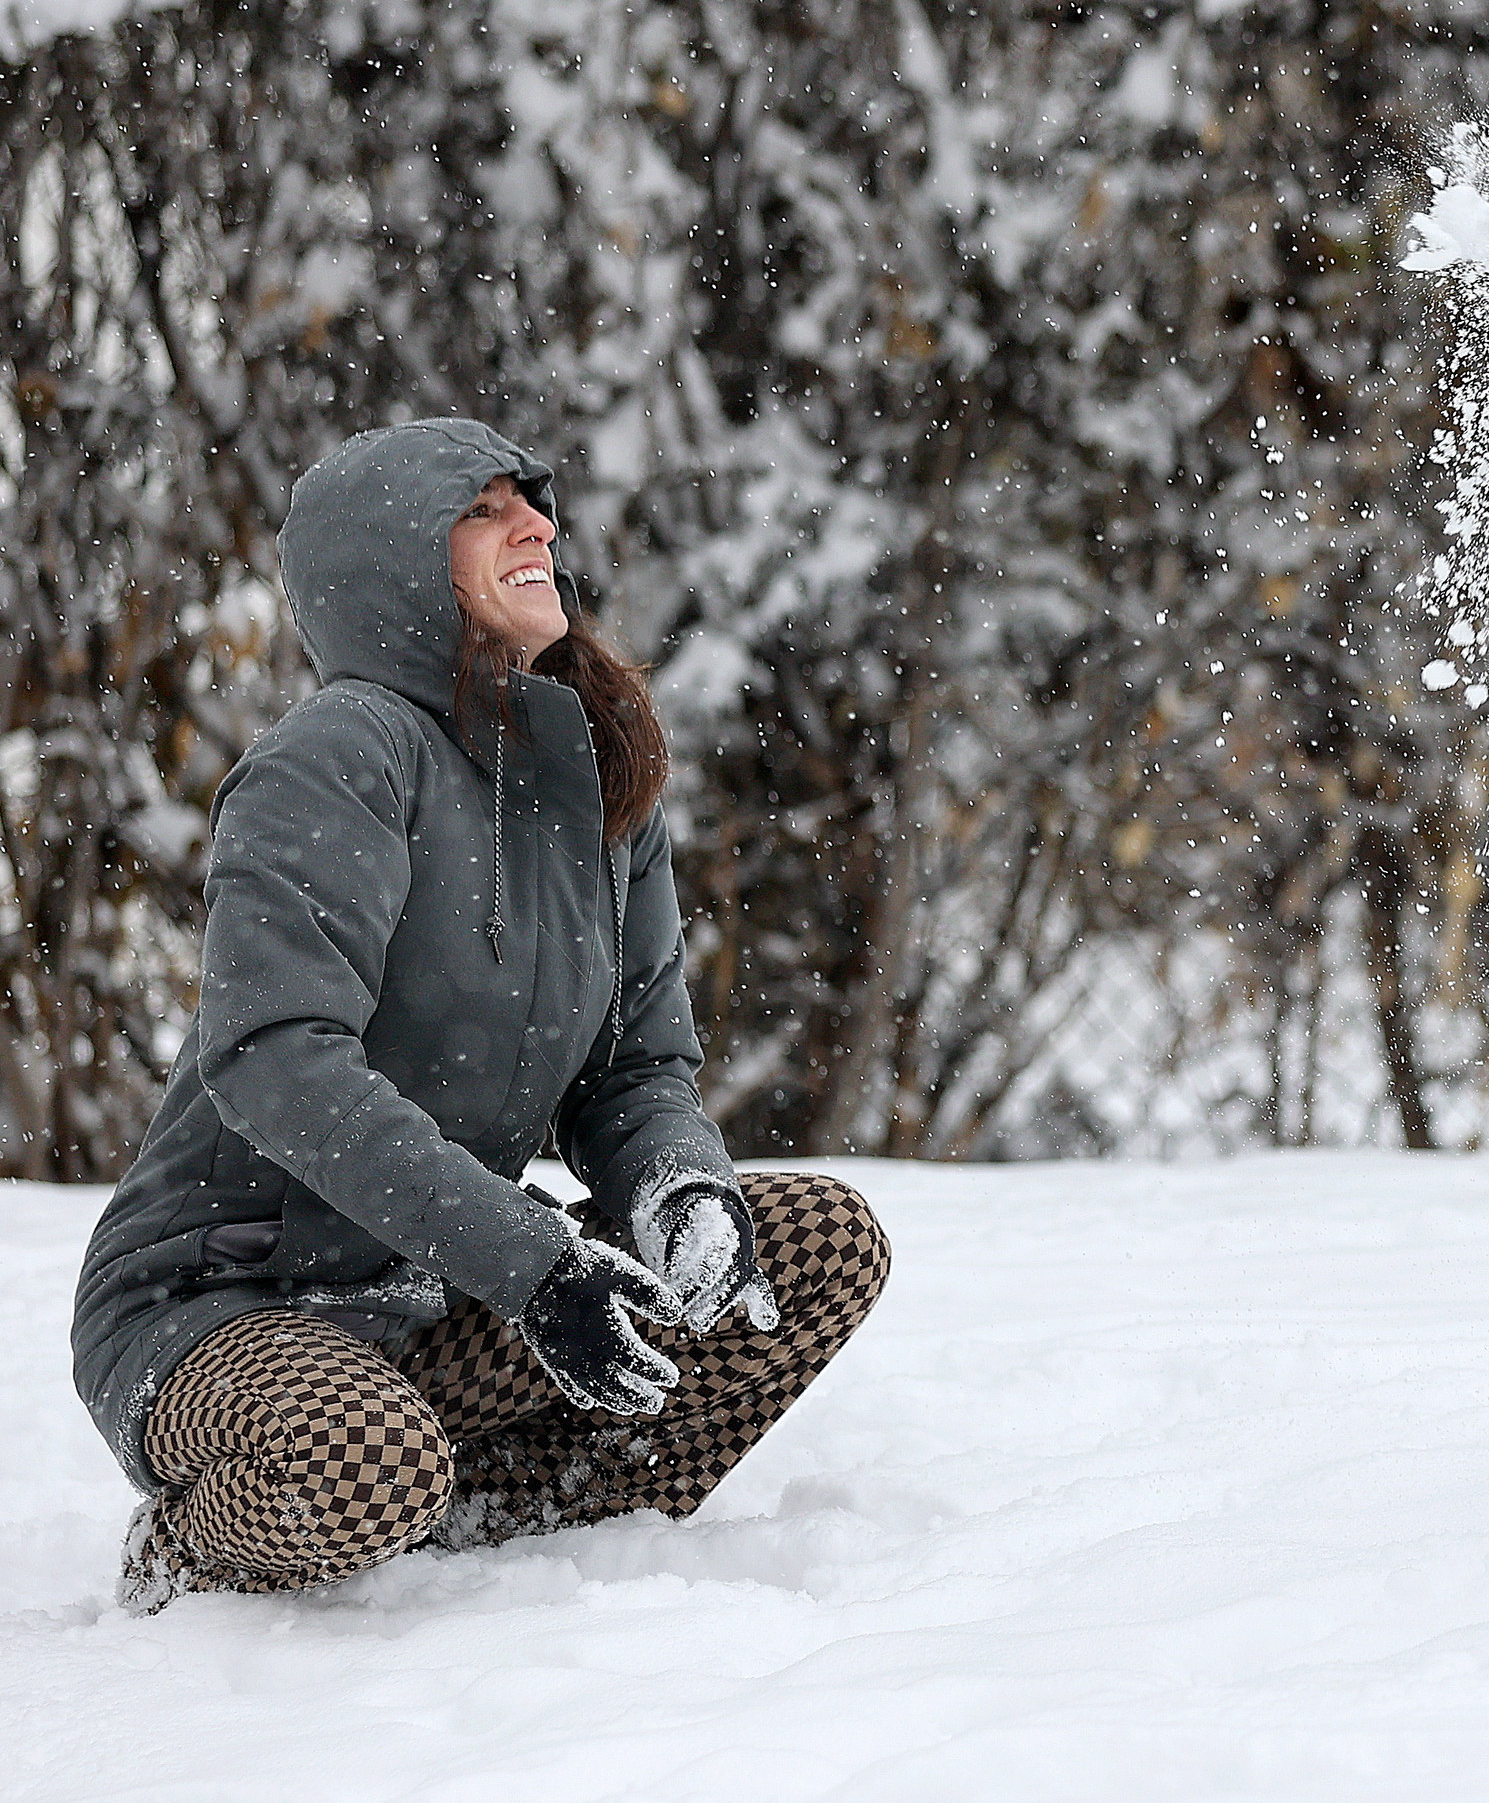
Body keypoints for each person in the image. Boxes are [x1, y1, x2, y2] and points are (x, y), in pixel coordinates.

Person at [71, 419, 890, 1610]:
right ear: (394, 560)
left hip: (443, 1292)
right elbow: (276, 1059)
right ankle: (200, 1554)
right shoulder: (337, 757)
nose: (539, 528)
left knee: (817, 1247)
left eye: (537, 504)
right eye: (486, 508)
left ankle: (480, 1538)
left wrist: (680, 1191)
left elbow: (638, 1069)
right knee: (363, 1462)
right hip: (220, 1305)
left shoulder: (596, 776)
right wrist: (536, 1260)